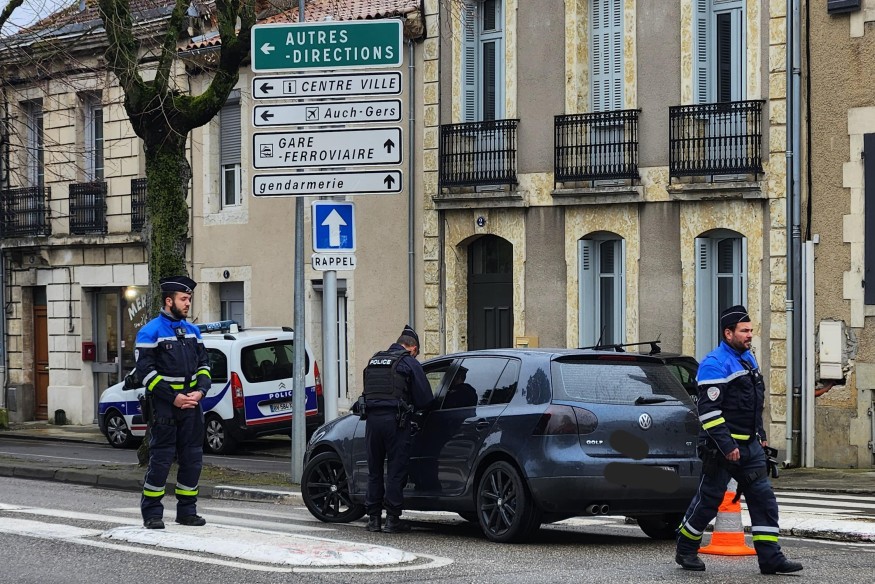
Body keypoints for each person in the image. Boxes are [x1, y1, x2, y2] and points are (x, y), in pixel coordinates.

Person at [675, 305, 802, 575]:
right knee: (709, 500)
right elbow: (709, 412)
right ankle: (686, 548)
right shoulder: (714, 363)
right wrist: (727, 445)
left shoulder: (748, 359)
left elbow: (755, 403)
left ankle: (771, 558)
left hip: (749, 447)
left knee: (764, 499)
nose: (749, 335)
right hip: (720, 448)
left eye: (751, 330)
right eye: (744, 331)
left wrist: (761, 437)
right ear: (728, 332)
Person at [136, 275, 211, 529]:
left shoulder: (193, 331)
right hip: (165, 408)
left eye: (189, 298)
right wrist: (174, 397)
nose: (188, 303)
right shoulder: (150, 332)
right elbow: (146, 373)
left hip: (192, 406)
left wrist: (200, 392)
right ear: (169, 301)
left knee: (192, 460)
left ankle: (187, 511)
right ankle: (152, 513)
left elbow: (204, 365)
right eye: (184, 299)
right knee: (161, 460)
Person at [362, 324, 433, 533]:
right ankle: (392, 520)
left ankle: (373, 519)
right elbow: (425, 399)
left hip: (372, 423)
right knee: (395, 470)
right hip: (396, 422)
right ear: (412, 348)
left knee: (374, 470)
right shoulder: (408, 362)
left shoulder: (375, 360)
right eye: (416, 353)